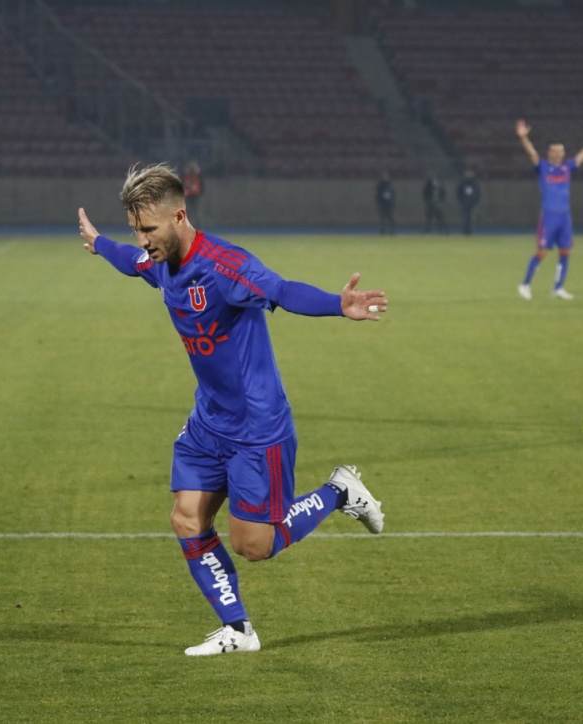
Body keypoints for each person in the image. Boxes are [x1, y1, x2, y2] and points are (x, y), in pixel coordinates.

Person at [78, 163, 387, 656]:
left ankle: (338, 490)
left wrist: (337, 304)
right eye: (136, 230)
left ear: (179, 216)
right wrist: (98, 244)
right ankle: (239, 630)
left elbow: (281, 290)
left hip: (257, 427)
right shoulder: (157, 261)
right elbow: (129, 261)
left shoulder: (225, 266)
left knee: (253, 545)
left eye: (149, 230)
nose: (142, 240)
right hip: (209, 420)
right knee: (185, 519)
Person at [516, 119, 583, 301]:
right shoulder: (543, 167)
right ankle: (525, 284)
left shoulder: (567, 167)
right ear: (550, 153)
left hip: (565, 216)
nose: (558, 154)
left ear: (563, 153)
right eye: (554, 151)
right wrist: (523, 138)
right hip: (549, 215)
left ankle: (558, 287)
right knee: (542, 251)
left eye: (560, 151)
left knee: (565, 252)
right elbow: (531, 153)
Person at [456, 168, 479, 235]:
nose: (469, 174)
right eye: (467, 173)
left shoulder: (475, 183)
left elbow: (478, 193)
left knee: (471, 218)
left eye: (470, 173)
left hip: (472, 203)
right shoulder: (462, 183)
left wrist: (475, 201)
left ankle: (470, 230)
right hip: (464, 203)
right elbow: (458, 193)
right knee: (465, 217)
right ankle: (465, 230)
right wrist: (461, 201)